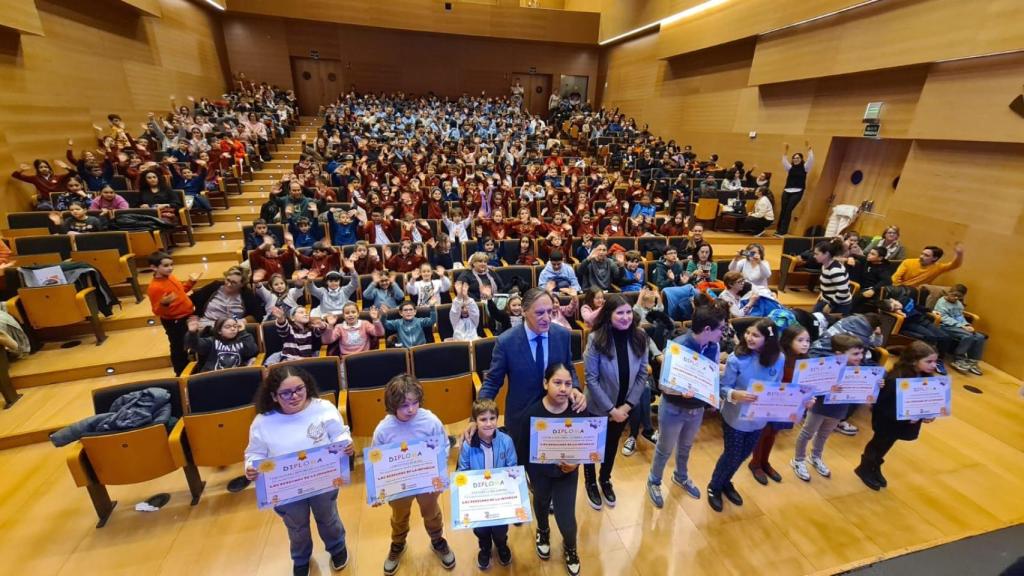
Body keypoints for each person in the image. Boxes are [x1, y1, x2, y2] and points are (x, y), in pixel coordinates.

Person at [243, 365, 354, 576]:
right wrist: (251, 467)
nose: (294, 396)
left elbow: (339, 434)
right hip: (287, 488)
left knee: (328, 518)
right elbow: (255, 454)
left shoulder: (324, 408)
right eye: (286, 393)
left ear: (307, 387)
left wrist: (345, 444)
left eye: (299, 389)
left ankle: (337, 547)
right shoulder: (263, 421)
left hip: (322, 480)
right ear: (274, 396)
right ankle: (301, 558)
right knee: (297, 527)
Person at [474, 288, 584, 444]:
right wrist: (477, 415)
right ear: (524, 311)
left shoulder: (562, 335)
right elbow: (492, 381)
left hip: (557, 416)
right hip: (521, 418)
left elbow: (568, 367)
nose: (547, 318)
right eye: (540, 313)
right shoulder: (506, 341)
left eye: (550, 312)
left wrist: (575, 387)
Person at [646, 300, 728, 507]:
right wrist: (682, 391)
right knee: (665, 448)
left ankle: (680, 476)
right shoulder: (679, 347)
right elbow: (664, 387)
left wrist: (719, 376)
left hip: (696, 409)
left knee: (686, 447)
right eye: (721, 328)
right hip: (673, 408)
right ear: (707, 329)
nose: (723, 333)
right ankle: (654, 480)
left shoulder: (714, 346)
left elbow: (711, 374)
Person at [372, 375, 455, 574]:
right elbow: (376, 461)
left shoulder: (430, 420)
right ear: (392, 405)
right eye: (403, 405)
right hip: (398, 484)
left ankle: (437, 539)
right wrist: (377, 490)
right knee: (399, 516)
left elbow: (443, 446)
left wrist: (440, 475)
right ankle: (398, 543)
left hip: (427, 481)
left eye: (414, 403)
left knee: (431, 512)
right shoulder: (383, 430)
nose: (410, 409)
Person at [707, 318, 785, 512]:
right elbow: (722, 387)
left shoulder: (780, 358)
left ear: (768, 340)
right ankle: (714, 486)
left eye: (756, 335)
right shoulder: (736, 359)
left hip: (759, 418)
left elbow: (778, 385)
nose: (749, 338)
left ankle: (726, 482)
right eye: (748, 333)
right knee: (732, 455)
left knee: (743, 455)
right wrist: (735, 394)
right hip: (735, 417)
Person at [581, 294, 650, 511]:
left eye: (628, 312)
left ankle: (605, 479)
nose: (625, 317)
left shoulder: (640, 336)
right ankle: (591, 482)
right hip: (599, 406)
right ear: (609, 315)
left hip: (624, 406)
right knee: (592, 447)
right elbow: (590, 378)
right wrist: (611, 409)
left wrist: (626, 407)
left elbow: (642, 375)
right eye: (619, 312)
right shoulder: (596, 339)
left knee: (611, 445)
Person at [513, 363, 583, 576]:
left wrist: (576, 463)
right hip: (539, 473)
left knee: (566, 517)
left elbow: (587, 444)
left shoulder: (578, 410)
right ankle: (542, 531)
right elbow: (523, 450)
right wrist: (527, 477)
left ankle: (570, 546)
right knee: (541, 503)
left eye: (568, 384)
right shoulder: (532, 414)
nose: (563, 389)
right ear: (545, 383)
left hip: (567, 473)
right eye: (557, 382)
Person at [855, 341, 940, 491]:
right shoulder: (895, 379)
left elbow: (927, 401)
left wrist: (928, 414)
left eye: (935, 361)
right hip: (889, 422)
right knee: (878, 444)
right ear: (914, 361)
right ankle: (865, 468)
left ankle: (875, 466)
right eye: (929, 361)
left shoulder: (926, 378)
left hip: (904, 423)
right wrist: (906, 416)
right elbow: (881, 406)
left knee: (887, 444)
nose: (933, 365)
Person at [791, 333, 865, 482]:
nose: (860, 357)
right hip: (820, 408)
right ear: (839, 354)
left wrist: (876, 384)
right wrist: (828, 388)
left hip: (839, 410)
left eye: (862, 353)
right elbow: (811, 386)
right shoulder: (825, 367)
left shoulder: (860, 370)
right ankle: (798, 460)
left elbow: (864, 388)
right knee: (807, 433)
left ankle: (815, 457)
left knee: (824, 435)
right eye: (856, 353)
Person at [456, 399, 516, 570]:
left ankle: (501, 544)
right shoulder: (468, 445)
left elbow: (512, 468)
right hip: (478, 499)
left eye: (492, 418)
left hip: (500, 497)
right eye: (483, 419)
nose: (488, 423)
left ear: (498, 419)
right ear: (475, 421)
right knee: (481, 529)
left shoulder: (506, 441)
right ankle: (485, 547)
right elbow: (463, 470)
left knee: (500, 528)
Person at [748, 324, 810, 485]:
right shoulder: (779, 358)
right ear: (789, 341)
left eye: (807, 341)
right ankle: (755, 463)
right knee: (763, 433)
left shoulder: (806, 361)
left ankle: (765, 462)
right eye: (800, 340)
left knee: (773, 433)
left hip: (788, 405)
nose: (805, 344)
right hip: (772, 401)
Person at [146, 252, 201, 375]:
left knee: (193, 341)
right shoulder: (154, 287)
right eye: (166, 265)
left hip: (187, 315)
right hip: (175, 321)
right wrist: (164, 303)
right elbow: (157, 311)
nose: (170, 268)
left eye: (171, 264)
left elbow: (181, 291)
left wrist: (191, 283)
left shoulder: (171, 277)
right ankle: (181, 374)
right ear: (154, 267)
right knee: (179, 348)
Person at [934, 284, 987, 375]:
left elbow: (960, 316)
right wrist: (961, 326)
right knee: (968, 336)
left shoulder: (958, 304)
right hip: (946, 326)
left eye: (959, 297)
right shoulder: (941, 302)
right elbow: (944, 317)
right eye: (954, 295)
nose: (956, 298)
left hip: (959, 326)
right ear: (949, 292)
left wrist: (966, 324)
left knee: (980, 337)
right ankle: (959, 359)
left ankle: (972, 361)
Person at [191, 266, 265, 329]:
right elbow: (193, 299)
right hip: (206, 327)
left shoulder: (246, 294)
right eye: (228, 280)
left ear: (242, 284)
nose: (229, 284)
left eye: (234, 283)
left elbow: (258, 315)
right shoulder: (215, 286)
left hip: (230, 329)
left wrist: (240, 321)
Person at [184, 316, 258, 372]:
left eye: (235, 326)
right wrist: (192, 333)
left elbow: (252, 351)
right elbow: (195, 345)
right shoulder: (212, 341)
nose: (233, 329)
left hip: (235, 376)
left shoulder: (242, 340)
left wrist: (243, 332)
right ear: (219, 331)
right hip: (212, 376)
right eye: (228, 327)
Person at [776, 141, 813, 236]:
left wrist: (809, 149)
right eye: (794, 158)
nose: (795, 159)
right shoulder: (790, 168)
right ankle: (778, 229)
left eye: (797, 158)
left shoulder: (805, 168)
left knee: (788, 210)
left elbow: (811, 160)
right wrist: (786, 150)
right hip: (787, 190)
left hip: (798, 191)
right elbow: (784, 161)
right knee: (783, 209)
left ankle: (783, 231)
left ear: (801, 159)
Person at [891, 243, 964, 287]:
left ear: (934, 258)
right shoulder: (908, 262)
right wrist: (900, 289)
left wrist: (959, 254)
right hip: (901, 289)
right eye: (922, 254)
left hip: (917, 294)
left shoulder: (937, 267)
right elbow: (895, 278)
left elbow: (955, 265)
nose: (921, 256)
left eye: (926, 255)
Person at [813, 238, 853, 315]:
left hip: (838, 305)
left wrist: (830, 305)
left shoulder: (835, 270)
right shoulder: (825, 265)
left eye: (817, 254)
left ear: (826, 254)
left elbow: (843, 291)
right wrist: (822, 295)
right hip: (827, 300)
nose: (814, 256)